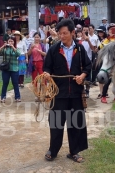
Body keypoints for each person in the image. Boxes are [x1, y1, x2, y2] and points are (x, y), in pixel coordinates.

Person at [43, 19, 91, 163]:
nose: (61, 36)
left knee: (75, 123)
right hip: (58, 93)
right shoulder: (54, 49)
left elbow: (88, 67)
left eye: (65, 33)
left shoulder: (80, 49)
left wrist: (82, 76)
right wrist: (46, 74)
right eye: (59, 33)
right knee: (56, 123)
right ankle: (53, 149)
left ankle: (74, 152)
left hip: (76, 93)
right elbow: (47, 68)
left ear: (72, 33)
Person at [0, 36, 21, 102]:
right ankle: (3, 97)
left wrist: (12, 47)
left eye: (12, 41)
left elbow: (18, 54)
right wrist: (2, 46)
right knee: (5, 83)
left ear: (14, 42)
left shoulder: (16, 48)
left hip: (14, 68)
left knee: (15, 83)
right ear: (7, 42)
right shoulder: (5, 49)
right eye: (9, 41)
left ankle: (17, 97)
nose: (10, 42)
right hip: (6, 69)